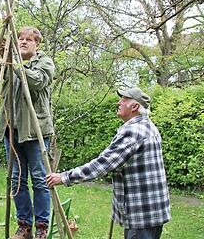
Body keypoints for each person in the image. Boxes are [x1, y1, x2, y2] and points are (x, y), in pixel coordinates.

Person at [47, 87, 171, 239]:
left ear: (135, 106)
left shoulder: (134, 131)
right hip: (152, 208)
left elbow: (103, 165)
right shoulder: (148, 126)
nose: (119, 103)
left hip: (142, 211)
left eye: (124, 99)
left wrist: (65, 177)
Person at [0, 26, 55, 239]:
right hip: (11, 131)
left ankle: (42, 226)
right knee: (17, 179)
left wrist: (15, 64)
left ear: (37, 44)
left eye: (28, 40)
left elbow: (37, 82)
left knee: (40, 179)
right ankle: (24, 226)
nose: (23, 42)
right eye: (20, 39)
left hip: (35, 132)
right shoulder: (8, 61)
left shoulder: (44, 62)